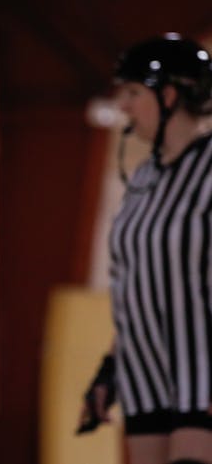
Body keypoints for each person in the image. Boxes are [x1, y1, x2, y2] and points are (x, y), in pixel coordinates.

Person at [78, 33, 212, 464]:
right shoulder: (142, 181)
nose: (124, 105)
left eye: (134, 92)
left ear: (169, 95)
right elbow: (138, 285)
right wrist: (109, 372)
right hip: (147, 375)